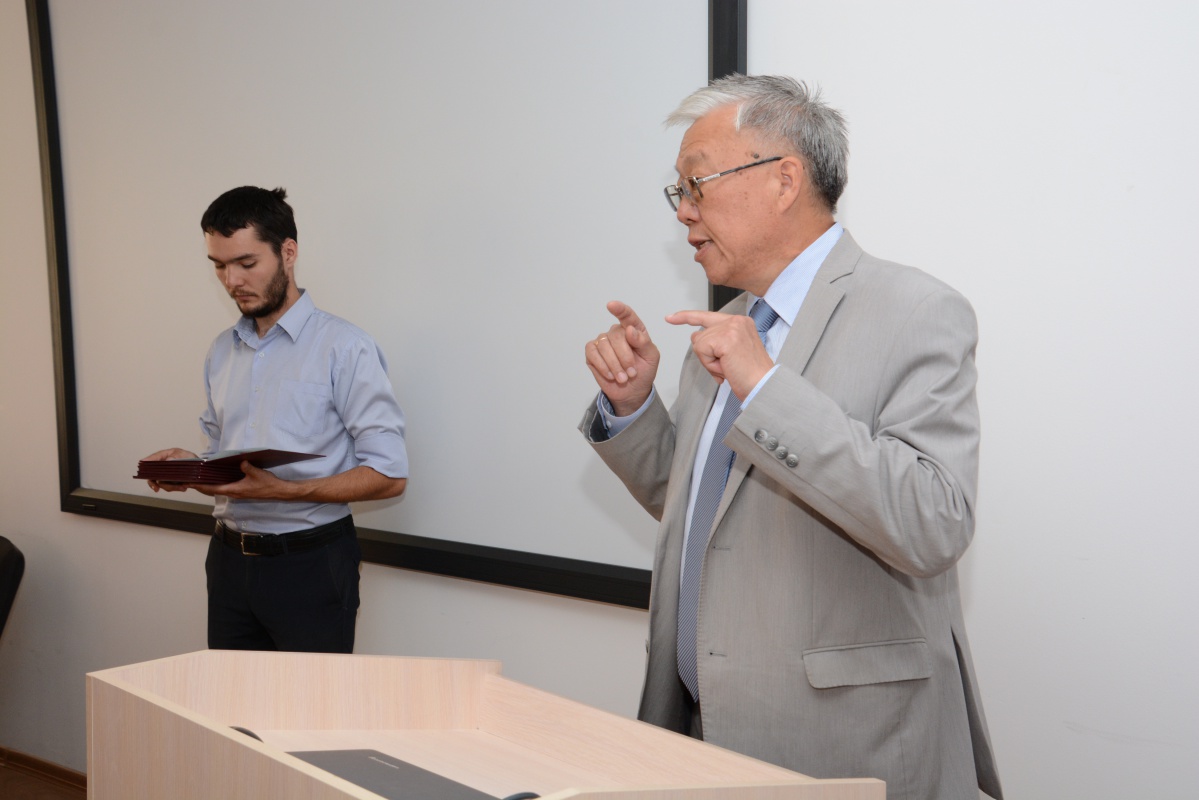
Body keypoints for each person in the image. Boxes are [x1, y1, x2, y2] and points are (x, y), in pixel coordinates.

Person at [579, 76, 1002, 799]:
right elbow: (706, 511)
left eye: (695, 184)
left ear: (783, 180)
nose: (683, 212)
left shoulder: (917, 310)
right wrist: (632, 407)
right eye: (677, 191)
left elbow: (933, 522)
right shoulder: (725, 331)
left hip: (846, 750)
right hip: (699, 735)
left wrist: (767, 389)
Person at [143, 186, 407, 654]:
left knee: (311, 703)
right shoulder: (221, 350)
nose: (232, 281)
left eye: (246, 263)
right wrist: (193, 468)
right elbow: (227, 463)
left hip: (311, 565)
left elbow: (389, 475)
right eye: (219, 266)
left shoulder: (346, 348)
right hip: (227, 562)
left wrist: (284, 491)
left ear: (288, 252)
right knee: (229, 700)